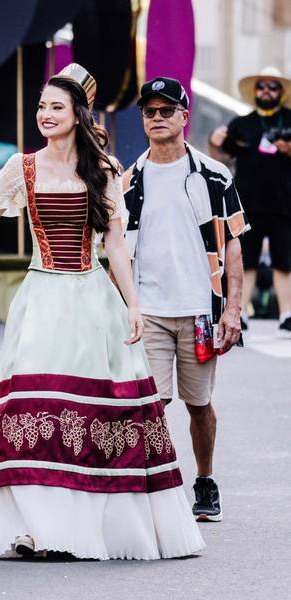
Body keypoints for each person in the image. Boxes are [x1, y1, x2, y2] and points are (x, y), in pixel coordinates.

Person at [0, 65, 204, 560]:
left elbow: (115, 246)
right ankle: (34, 526)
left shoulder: (102, 167)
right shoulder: (22, 168)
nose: (45, 114)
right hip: (41, 299)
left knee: (94, 408)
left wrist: (133, 306)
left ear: (77, 113)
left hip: (89, 296)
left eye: (55, 106)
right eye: (41, 106)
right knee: (31, 410)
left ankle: (85, 527)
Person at [127, 77, 249, 523]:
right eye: (149, 112)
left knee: (199, 404)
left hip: (199, 310)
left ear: (184, 116)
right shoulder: (129, 181)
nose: (157, 118)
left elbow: (234, 244)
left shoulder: (214, 176)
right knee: (151, 404)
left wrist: (233, 310)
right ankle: (159, 485)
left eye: (166, 111)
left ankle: (205, 479)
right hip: (150, 312)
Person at [208, 67, 291, 336]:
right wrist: (213, 141)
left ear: (281, 92)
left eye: (272, 86)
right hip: (247, 204)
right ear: (255, 91)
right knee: (246, 260)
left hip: (284, 204)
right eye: (262, 86)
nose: (266, 90)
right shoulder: (241, 123)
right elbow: (221, 156)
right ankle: (239, 313)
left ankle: (286, 315)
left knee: (284, 262)